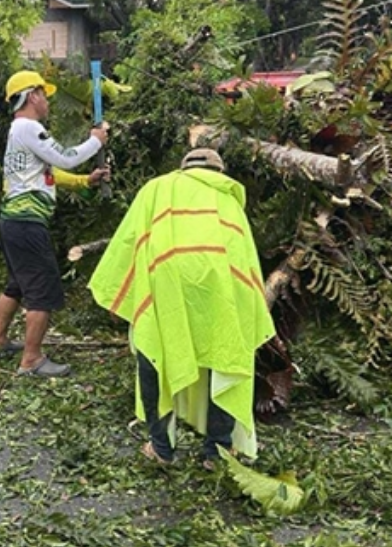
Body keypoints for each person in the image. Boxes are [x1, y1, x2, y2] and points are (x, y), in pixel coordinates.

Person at [88, 148, 276, 468]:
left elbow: (128, 242)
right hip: (221, 284)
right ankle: (217, 451)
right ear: (219, 172)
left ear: (184, 168)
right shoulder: (229, 199)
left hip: (166, 278)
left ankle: (162, 448)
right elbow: (245, 259)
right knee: (226, 355)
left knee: (154, 350)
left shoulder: (156, 189)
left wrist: (122, 294)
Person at [0, 70, 109, 376]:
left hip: (12, 221)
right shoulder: (30, 128)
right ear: (32, 95)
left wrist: (85, 181)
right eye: (44, 95)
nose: (47, 102)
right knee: (41, 289)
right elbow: (66, 157)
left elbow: (49, 173)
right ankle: (31, 360)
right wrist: (95, 141)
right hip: (27, 223)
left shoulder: (17, 132)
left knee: (17, 284)